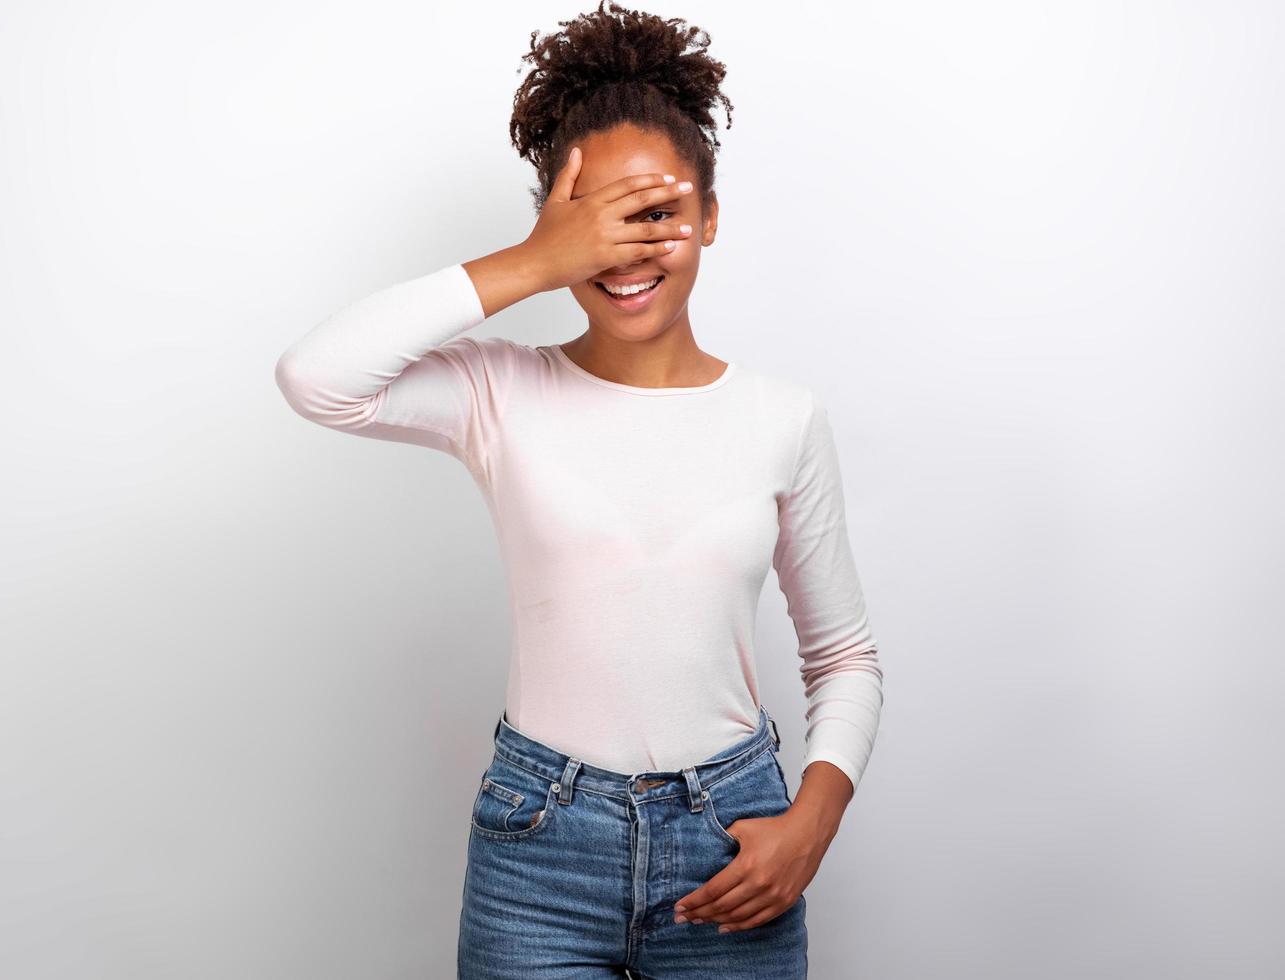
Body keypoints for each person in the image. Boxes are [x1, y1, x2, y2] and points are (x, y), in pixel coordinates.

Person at [274, 3, 883, 976]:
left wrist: (813, 815)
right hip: (538, 850)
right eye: (592, 221)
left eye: (654, 213)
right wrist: (535, 261)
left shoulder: (783, 418)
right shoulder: (500, 391)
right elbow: (317, 377)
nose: (623, 250)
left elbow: (843, 654)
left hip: (732, 836)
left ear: (709, 216)